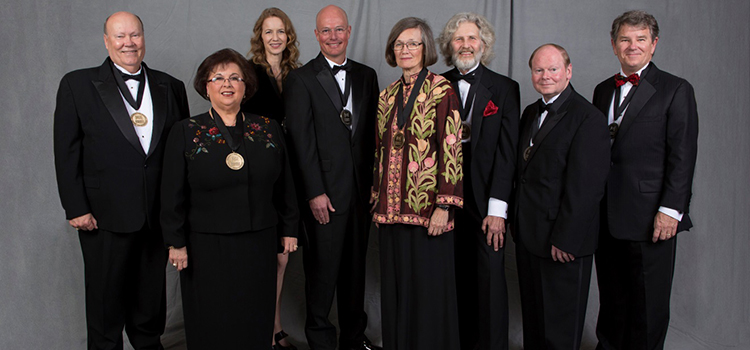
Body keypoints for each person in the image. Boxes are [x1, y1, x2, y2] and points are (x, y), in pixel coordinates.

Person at [53, 11, 189, 350]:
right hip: (102, 217)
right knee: (105, 309)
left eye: (135, 35)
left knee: (149, 307)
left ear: (144, 38)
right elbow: (66, 150)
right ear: (106, 41)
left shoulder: (171, 86)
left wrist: (177, 213)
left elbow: (180, 155)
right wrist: (76, 206)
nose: (129, 43)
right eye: (120, 36)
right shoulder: (77, 84)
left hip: (155, 217)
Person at [160, 48, 299, 349]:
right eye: (219, 77)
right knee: (212, 316)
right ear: (205, 86)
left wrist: (289, 229)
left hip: (259, 239)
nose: (228, 84)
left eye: (235, 77)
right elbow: (171, 193)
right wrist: (175, 241)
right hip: (205, 245)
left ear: (246, 87)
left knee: (255, 314)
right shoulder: (186, 132)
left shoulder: (268, 128)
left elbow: (286, 185)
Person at [592, 10, 698, 350]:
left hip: (652, 216)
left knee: (647, 307)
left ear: (654, 45)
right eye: (625, 39)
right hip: (606, 215)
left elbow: (682, 157)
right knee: (612, 301)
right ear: (613, 45)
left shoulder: (676, 89)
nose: (632, 46)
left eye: (640, 39)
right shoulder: (602, 90)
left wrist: (671, 210)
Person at [283, 5, 380, 350]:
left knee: (355, 271)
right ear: (316, 35)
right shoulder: (301, 79)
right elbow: (299, 141)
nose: (333, 36)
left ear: (349, 31)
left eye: (339, 30)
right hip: (324, 193)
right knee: (322, 273)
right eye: (326, 31)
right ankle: (321, 340)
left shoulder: (367, 76)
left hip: (360, 193)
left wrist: (374, 185)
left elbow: (371, 136)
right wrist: (314, 192)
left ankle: (354, 338)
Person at [371, 17, 463, 350]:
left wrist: (444, 205)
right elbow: (379, 153)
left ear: (426, 49)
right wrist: (376, 199)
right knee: (397, 290)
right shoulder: (386, 96)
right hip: (390, 212)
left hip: (427, 212)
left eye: (413, 43)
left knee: (428, 290)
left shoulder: (442, 90)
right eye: (399, 44)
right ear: (392, 51)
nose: (405, 50)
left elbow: (451, 147)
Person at [512, 44, 610, 350]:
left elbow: (587, 187)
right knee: (536, 326)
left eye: (553, 69)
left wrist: (566, 238)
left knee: (560, 331)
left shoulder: (588, 118)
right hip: (529, 236)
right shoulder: (530, 112)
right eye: (539, 70)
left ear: (568, 72)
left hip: (563, 242)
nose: (545, 76)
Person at [437, 12, 519, 350]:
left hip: (486, 198)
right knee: (451, 277)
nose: (466, 45)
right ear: (449, 45)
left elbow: (508, 152)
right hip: (446, 196)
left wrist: (498, 209)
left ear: (483, 45)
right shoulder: (436, 84)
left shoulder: (504, 88)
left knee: (488, 280)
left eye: (472, 38)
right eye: (459, 39)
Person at [242, 7, 302, 350]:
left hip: (292, 169)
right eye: (269, 32)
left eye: (281, 31)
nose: (275, 37)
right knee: (262, 253)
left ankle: (274, 325)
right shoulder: (248, 74)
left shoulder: (299, 74)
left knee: (283, 253)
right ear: (259, 37)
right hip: (260, 169)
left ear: (289, 36)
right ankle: (263, 328)